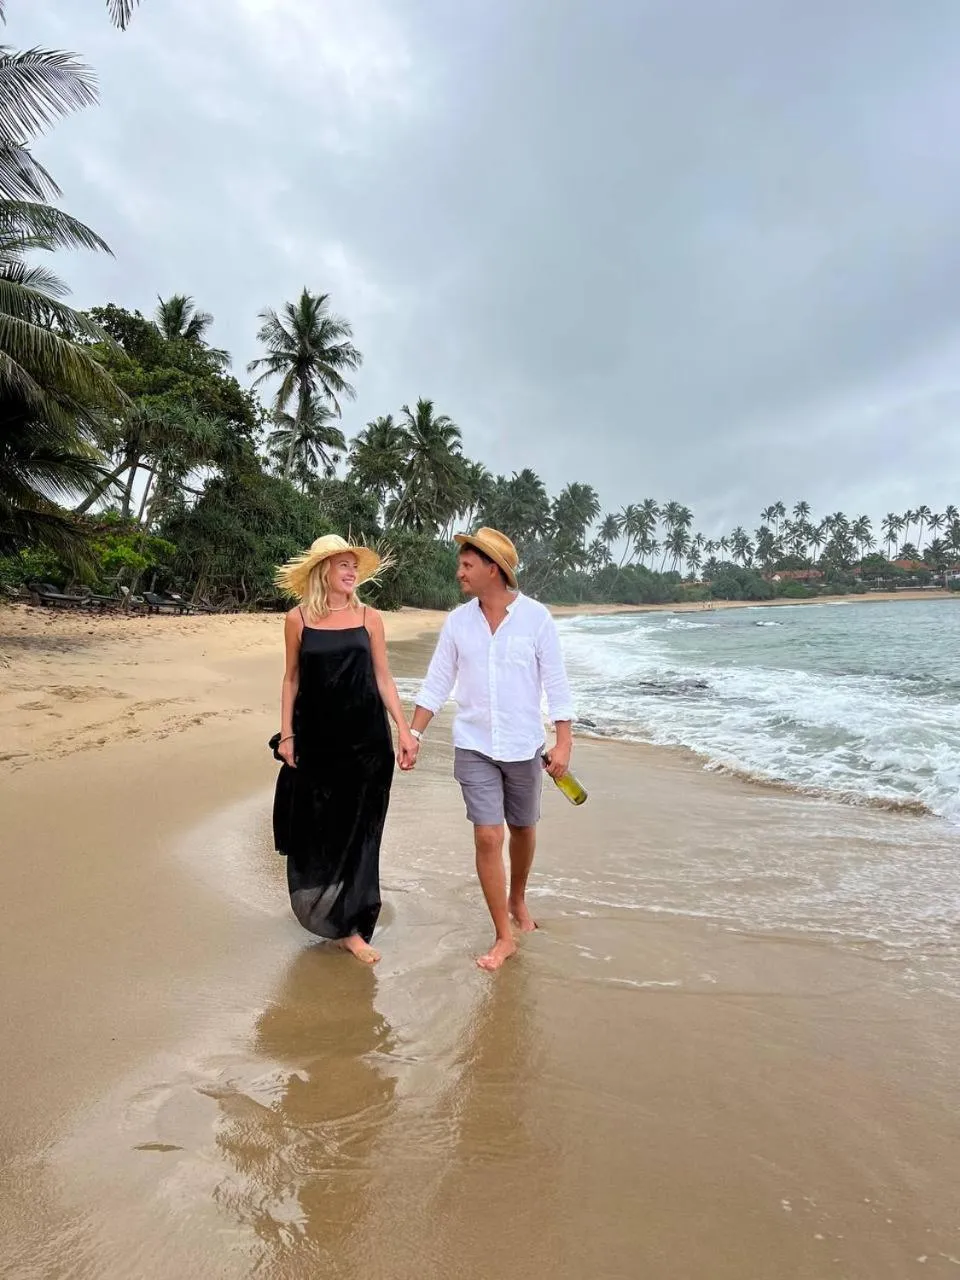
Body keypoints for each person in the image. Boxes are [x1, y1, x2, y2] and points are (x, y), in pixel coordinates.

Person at [408, 527, 575, 971]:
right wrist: (415, 734)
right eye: (460, 565)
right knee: (488, 835)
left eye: (467, 565)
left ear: (493, 569)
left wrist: (564, 740)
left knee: (522, 828)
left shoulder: (536, 618)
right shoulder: (458, 622)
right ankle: (504, 935)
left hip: (523, 745)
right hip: (474, 744)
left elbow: (556, 683)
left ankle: (518, 898)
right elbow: (437, 681)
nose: (459, 572)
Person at [272, 534, 417, 964]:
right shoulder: (297, 619)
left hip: (367, 742)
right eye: (343, 566)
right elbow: (291, 679)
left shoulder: (370, 618)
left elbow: (384, 679)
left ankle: (353, 927)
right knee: (321, 828)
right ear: (324, 572)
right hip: (317, 741)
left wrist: (405, 730)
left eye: (354, 566)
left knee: (362, 832)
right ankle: (330, 914)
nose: (352, 573)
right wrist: (286, 734)